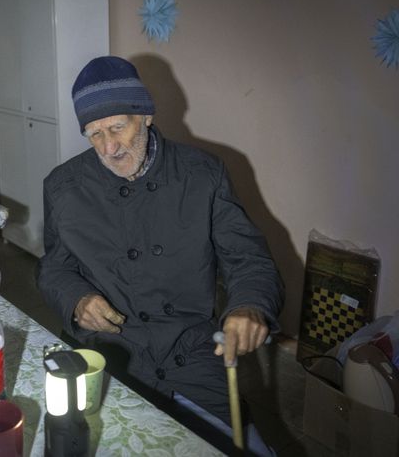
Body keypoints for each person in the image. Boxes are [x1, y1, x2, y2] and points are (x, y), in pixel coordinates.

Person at [36, 56, 284, 454]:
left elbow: (248, 257)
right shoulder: (63, 187)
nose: (109, 147)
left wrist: (250, 305)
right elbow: (55, 267)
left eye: (118, 127)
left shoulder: (202, 174)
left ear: (146, 115)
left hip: (192, 355)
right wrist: (76, 299)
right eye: (94, 134)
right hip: (112, 355)